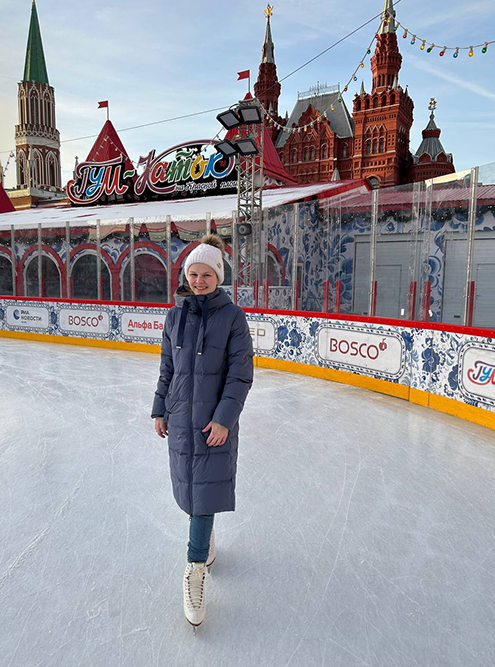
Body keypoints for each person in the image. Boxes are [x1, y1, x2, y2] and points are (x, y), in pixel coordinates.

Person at [151, 233, 254, 630]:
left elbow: (240, 375)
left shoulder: (233, 318)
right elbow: (167, 369)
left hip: (214, 423)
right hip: (180, 418)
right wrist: (160, 408)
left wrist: (225, 419)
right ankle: (204, 537)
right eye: (193, 273)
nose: (199, 279)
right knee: (192, 488)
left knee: (205, 488)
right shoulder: (174, 316)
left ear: (218, 276)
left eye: (206, 273)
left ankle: (194, 568)